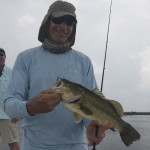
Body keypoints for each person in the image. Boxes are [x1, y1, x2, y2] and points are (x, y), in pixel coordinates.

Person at [4, 1, 113, 150]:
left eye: (69, 22)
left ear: (74, 27)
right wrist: (30, 107)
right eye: (57, 20)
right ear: (47, 22)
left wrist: (92, 126)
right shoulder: (25, 58)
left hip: (76, 145)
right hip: (34, 146)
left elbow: (88, 107)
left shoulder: (84, 61)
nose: (63, 26)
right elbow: (8, 105)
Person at [0, 48, 20, 150]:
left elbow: (19, 93)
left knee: (12, 143)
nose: (0, 56)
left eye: (1, 54)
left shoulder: (12, 73)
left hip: (7, 115)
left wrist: (16, 113)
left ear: (5, 57)